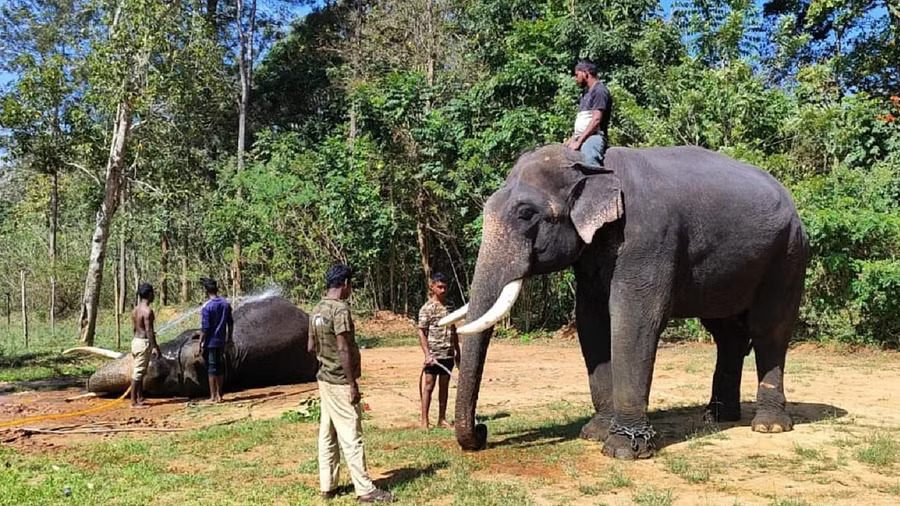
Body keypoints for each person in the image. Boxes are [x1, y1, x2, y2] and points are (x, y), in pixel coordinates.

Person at [307, 264, 393, 503]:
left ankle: (328, 486)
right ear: (345, 283)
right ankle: (365, 490)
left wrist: (324, 361)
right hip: (340, 381)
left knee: (328, 434)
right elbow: (344, 348)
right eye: (350, 284)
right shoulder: (339, 310)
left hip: (324, 378)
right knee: (351, 435)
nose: (351, 289)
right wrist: (352, 384)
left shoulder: (316, 309)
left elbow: (310, 347)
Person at [417, 272, 460, 429]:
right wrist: (427, 354)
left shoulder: (450, 306)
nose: (442, 290)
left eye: (445, 287)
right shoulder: (427, 308)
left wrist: (457, 351)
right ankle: (424, 420)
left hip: (447, 353)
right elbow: (421, 331)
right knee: (429, 385)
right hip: (433, 355)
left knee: (444, 386)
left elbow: (454, 328)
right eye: (439, 287)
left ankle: (442, 419)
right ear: (432, 287)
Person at [564, 60, 613, 166]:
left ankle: (599, 180)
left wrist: (579, 141)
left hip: (594, 137)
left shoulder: (600, 91)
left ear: (586, 73)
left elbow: (596, 120)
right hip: (582, 136)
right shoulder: (586, 93)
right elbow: (584, 122)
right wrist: (573, 138)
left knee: (589, 158)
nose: (575, 78)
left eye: (577, 74)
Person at [197, 278, 233, 403]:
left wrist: (200, 343)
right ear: (217, 289)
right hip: (221, 341)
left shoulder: (207, 307)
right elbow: (230, 322)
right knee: (220, 367)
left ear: (206, 291)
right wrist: (230, 338)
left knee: (211, 368)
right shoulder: (225, 304)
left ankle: (213, 397)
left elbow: (205, 328)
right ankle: (220, 395)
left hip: (210, 343)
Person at [131, 283, 161, 408]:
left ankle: (140, 397)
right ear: (149, 294)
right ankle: (134, 402)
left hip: (136, 341)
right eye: (153, 293)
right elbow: (149, 330)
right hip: (143, 342)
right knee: (138, 373)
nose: (154, 295)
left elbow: (134, 328)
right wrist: (155, 346)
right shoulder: (148, 311)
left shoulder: (135, 309)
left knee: (141, 371)